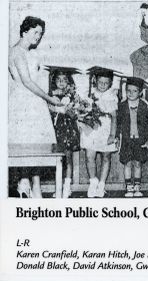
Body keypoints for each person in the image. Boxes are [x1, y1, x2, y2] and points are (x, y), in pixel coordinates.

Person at [8, 16, 62, 198]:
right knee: (26, 144)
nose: (38, 36)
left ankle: (35, 186)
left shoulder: (30, 53)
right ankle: (24, 184)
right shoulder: (15, 52)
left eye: (41, 33)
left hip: (34, 102)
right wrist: (50, 99)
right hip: (24, 103)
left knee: (38, 145)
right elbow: (27, 82)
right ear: (24, 31)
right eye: (35, 32)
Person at [80, 67, 119, 198]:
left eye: (106, 83)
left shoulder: (112, 96)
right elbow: (81, 111)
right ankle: (93, 182)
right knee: (89, 156)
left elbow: (114, 117)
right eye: (100, 82)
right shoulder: (89, 94)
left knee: (106, 157)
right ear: (95, 81)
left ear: (110, 83)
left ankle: (101, 184)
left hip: (106, 129)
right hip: (91, 129)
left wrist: (112, 135)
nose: (102, 85)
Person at [46, 66, 81, 198]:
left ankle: (67, 187)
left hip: (68, 130)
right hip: (55, 130)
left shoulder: (72, 96)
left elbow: (75, 112)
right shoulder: (50, 96)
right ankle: (58, 187)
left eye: (64, 80)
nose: (61, 82)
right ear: (54, 81)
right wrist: (59, 110)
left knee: (68, 158)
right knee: (57, 160)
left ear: (69, 82)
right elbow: (50, 110)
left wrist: (72, 110)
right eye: (58, 79)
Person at [116, 77, 148, 197]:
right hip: (126, 139)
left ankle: (137, 186)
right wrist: (117, 138)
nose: (131, 93)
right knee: (127, 163)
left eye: (134, 91)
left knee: (137, 163)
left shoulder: (145, 106)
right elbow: (118, 124)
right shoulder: (121, 106)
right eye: (128, 90)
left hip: (139, 139)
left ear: (140, 92)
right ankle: (128, 187)